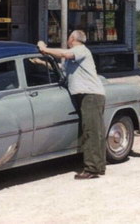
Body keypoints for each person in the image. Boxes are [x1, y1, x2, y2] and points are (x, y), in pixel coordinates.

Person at [38, 30, 106, 179]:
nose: (67, 39)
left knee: (91, 131)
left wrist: (44, 49)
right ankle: (98, 165)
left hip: (90, 95)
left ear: (73, 38)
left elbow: (65, 54)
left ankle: (92, 169)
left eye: (69, 37)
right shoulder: (74, 56)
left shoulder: (81, 50)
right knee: (94, 130)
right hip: (85, 95)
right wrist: (40, 62)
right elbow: (61, 68)